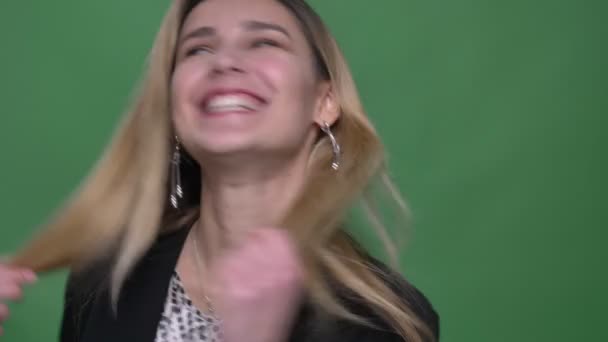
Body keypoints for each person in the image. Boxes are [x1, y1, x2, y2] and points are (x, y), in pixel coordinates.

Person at [0, 0, 439, 341]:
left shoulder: (386, 321)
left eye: (264, 42)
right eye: (198, 48)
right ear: (174, 110)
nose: (224, 61)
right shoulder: (104, 277)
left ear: (324, 102)